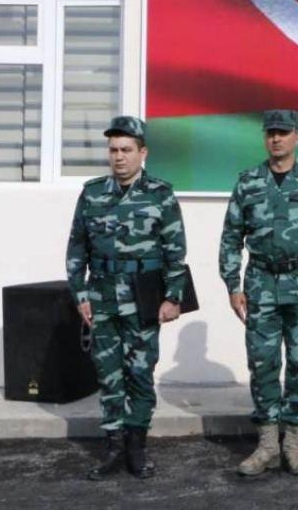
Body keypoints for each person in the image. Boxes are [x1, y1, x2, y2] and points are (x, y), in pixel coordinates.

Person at [219, 110, 298, 476]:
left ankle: (293, 442)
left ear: (297, 137)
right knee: (262, 364)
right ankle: (265, 445)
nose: (276, 139)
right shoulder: (248, 183)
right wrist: (233, 285)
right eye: (271, 133)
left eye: (283, 133)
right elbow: (231, 237)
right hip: (260, 284)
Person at [66, 115, 188, 480]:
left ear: (142, 152)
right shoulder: (92, 192)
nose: (119, 157)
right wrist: (80, 293)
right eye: (113, 150)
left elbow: (175, 251)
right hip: (102, 295)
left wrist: (173, 297)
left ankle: (137, 446)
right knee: (108, 373)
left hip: (144, 296)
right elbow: (76, 248)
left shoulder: (161, 193)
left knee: (139, 372)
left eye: (126, 150)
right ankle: (113, 445)